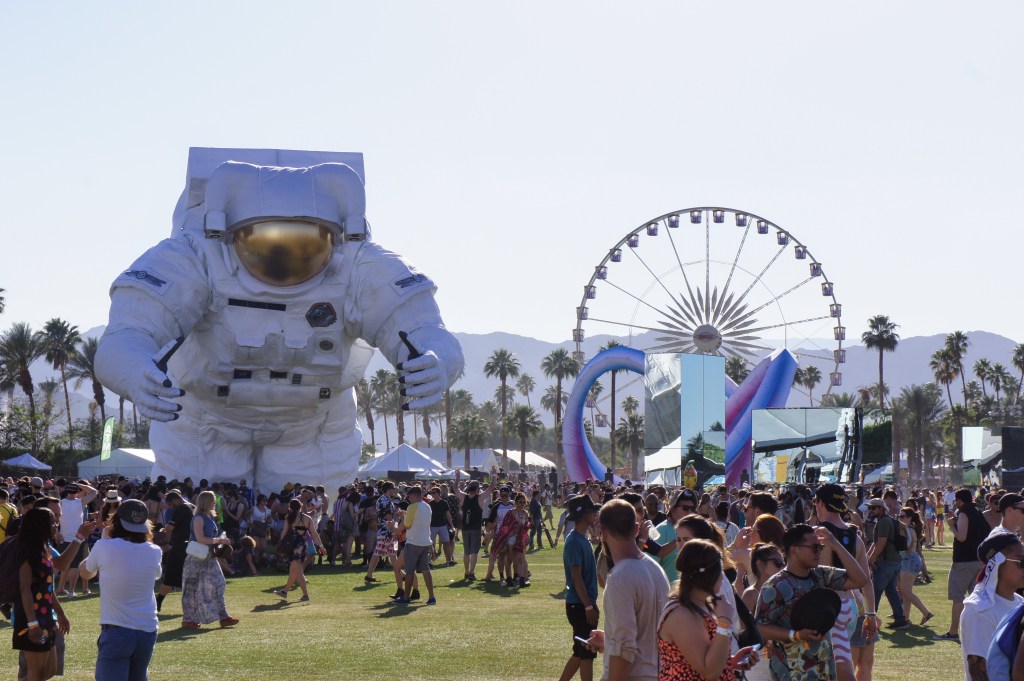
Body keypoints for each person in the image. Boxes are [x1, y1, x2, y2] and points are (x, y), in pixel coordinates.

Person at [94, 148, 465, 496]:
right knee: (196, 518)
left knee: (311, 519)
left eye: (305, 244)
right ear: (228, 234)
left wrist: (435, 359)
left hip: (312, 426)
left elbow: (425, 328)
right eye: (266, 242)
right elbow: (127, 334)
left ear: (335, 238)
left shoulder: (359, 265)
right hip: (204, 421)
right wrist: (135, 370)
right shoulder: (196, 257)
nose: (285, 255)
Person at [755, 524, 869, 681]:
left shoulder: (820, 574)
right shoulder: (775, 586)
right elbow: (760, 627)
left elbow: (860, 579)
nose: (819, 552)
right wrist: (795, 635)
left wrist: (836, 544)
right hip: (791, 673)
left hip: (824, 670)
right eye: (814, 548)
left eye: (820, 547)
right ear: (794, 549)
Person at [584, 499, 670, 681]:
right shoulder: (656, 569)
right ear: (637, 529)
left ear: (603, 532)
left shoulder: (620, 578)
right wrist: (609, 641)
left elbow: (624, 649)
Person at [79, 499, 163, 681]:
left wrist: (103, 539)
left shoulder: (104, 546)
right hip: (147, 630)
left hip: (117, 630)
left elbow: (86, 573)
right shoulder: (155, 550)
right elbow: (156, 574)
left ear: (116, 521)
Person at [658, 539, 761, 681]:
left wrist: (731, 661)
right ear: (710, 574)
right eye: (721, 570)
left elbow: (696, 659)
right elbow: (709, 671)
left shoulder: (698, 605)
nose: (723, 576)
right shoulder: (681, 614)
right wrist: (724, 622)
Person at [815, 484, 879, 681]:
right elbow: (866, 580)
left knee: (829, 669)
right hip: (851, 606)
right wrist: (871, 614)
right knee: (842, 663)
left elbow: (823, 578)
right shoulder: (854, 535)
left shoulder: (821, 534)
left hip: (828, 609)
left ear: (821, 503)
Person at [12, 507, 69, 681]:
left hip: (46, 618)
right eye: (52, 522)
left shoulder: (44, 549)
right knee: (36, 674)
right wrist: (33, 623)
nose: (56, 525)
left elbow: (47, 589)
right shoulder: (27, 550)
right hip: (31, 618)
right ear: (40, 525)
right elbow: (24, 588)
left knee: (49, 671)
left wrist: (60, 613)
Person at [961, 532, 1024, 681]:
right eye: (1022, 563)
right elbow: (979, 671)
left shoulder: (1020, 602)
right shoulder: (979, 610)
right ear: (997, 563)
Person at [935, 487, 989, 642]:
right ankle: (976, 631)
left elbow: (962, 536)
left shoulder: (964, 512)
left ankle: (953, 632)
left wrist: (951, 524)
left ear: (959, 500)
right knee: (974, 598)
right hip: (979, 560)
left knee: (958, 598)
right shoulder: (978, 512)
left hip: (964, 561)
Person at [558, 494, 600, 681]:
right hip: (579, 604)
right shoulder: (574, 540)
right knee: (585, 651)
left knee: (583, 651)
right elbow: (576, 576)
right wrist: (588, 606)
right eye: (592, 512)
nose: (595, 515)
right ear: (585, 515)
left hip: (582, 603)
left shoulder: (582, 538)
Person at [181, 490, 237, 629]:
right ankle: (188, 619)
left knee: (219, 583)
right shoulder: (199, 518)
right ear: (207, 502)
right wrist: (219, 540)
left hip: (209, 557)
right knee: (192, 588)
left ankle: (223, 616)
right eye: (213, 501)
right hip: (197, 557)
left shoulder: (210, 516)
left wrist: (221, 540)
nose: (216, 503)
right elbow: (200, 538)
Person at [864, 498, 911, 630]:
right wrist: (869, 556)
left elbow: (881, 542)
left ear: (881, 509)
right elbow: (877, 542)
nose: (870, 511)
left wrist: (872, 558)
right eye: (869, 508)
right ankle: (900, 619)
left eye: (873, 508)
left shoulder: (883, 521)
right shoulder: (886, 520)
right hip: (894, 561)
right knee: (891, 591)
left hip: (886, 562)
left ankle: (871, 620)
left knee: (875, 591)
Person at [392, 486, 436, 606]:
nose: (408, 498)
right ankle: (432, 597)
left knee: (409, 571)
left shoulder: (412, 507)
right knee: (426, 570)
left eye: (410, 496)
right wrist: (404, 515)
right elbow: (416, 519)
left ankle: (406, 598)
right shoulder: (427, 506)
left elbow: (406, 525)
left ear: (415, 495)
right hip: (426, 541)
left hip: (414, 542)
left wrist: (394, 527)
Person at [275, 498, 325, 601]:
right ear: (301, 506)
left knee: (297, 571)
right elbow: (314, 534)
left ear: (290, 507)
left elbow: (284, 532)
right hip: (303, 544)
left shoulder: (289, 517)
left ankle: (305, 595)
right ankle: (284, 592)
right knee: (293, 570)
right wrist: (321, 545)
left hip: (293, 544)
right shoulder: (307, 518)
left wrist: (280, 543)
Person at [154, 491, 191, 613]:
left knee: (171, 575)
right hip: (186, 547)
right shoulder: (190, 507)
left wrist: (163, 530)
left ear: (175, 500)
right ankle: (158, 601)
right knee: (182, 577)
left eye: (170, 504)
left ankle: (158, 601)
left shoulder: (181, 509)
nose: (170, 507)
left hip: (180, 547)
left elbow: (170, 527)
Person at [897, 506, 933, 625]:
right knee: (906, 591)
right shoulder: (910, 528)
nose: (899, 518)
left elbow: (906, 547)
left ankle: (926, 613)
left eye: (902, 516)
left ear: (909, 518)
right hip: (912, 559)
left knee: (905, 591)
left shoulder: (907, 529)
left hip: (909, 560)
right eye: (899, 516)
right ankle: (906, 618)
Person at [364, 482, 403, 586]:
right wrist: (394, 530)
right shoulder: (385, 500)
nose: (394, 491)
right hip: (387, 530)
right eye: (393, 489)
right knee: (389, 553)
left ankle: (369, 574)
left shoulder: (382, 499)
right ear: (389, 489)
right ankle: (400, 574)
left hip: (383, 529)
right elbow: (389, 516)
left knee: (384, 553)